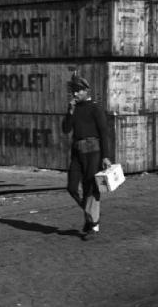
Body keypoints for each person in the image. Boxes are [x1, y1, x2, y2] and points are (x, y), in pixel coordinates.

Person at [62, 74, 112, 240]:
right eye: (73, 91)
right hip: (77, 153)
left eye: (77, 91)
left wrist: (106, 156)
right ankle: (91, 217)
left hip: (94, 152)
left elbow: (104, 133)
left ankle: (94, 226)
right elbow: (65, 130)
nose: (74, 94)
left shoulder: (95, 108)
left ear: (85, 91)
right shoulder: (74, 108)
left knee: (91, 189)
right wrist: (69, 112)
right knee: (71, 187)